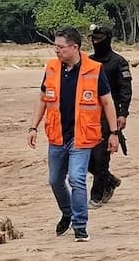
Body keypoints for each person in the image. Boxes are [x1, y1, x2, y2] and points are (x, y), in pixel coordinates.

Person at [27, 27, 120, 242]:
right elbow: (42, 99)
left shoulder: (95, 70)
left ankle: (80, 226)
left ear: (75, 47)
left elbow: (107, 102)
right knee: (54, 180)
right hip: (57, 135)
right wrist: (33, 127)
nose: (57, 51)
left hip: (82, 137)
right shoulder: (51, 69)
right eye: (55, 46)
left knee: (77, 178)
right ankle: (67, 212)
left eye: (61, 47)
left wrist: (114, 132)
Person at [86, 24, 133, 207]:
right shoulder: (88, 62)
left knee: (100, 157)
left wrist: (123, 114)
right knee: (84, 157)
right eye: (94, 39)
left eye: (99, 39)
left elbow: (125, 90)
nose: (96, 42)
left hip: (109, 115)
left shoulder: (118, 62)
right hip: (88, 114)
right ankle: (110, 180)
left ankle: (97, 195)